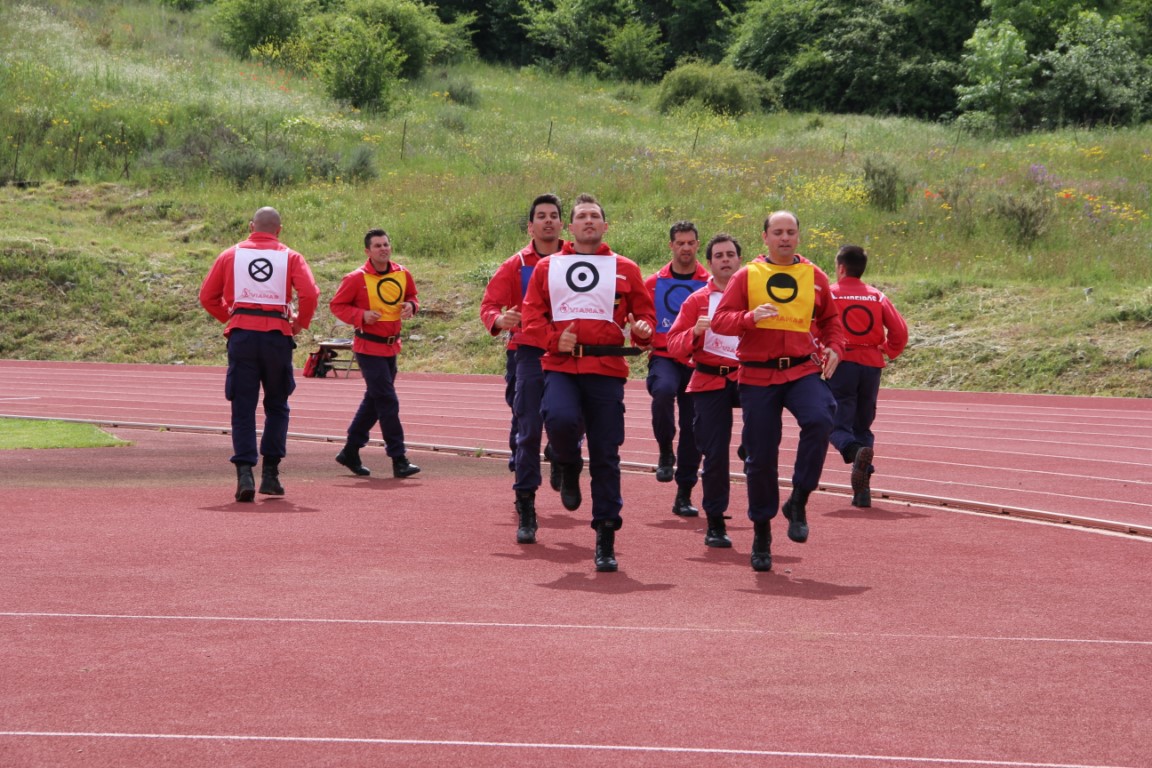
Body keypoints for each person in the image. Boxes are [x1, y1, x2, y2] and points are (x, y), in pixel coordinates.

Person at [520, 193, 656, 572]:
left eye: (595, 216)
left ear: (605, 225)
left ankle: (605, 537)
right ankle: (566, 461)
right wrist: (552, 339)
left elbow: (645, 318)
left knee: (607, 454)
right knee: (559, 419)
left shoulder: (625, 268)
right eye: (582, 216)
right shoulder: (549, 267)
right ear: (571, 226)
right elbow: (532, 316)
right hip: (562, 365)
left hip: (607, 371)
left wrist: (643, 331)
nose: (589, 221)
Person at [711, 211, 845, 572]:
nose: (784, 238)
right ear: (765, 237)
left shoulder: (814, 276)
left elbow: (832, 321)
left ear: (799, 236)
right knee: (760, 457)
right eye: (777, 232)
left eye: (791, 232)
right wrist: (749, 317)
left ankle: (798, 499)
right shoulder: (746, 276)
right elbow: (721, 319)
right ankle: (761, 532)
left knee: (820, 418)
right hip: (757, 374)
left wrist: (835, 347)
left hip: (801, 369)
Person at [198, 206, 320, 502]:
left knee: (243, 406)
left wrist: (230, 316)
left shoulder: (230, 254)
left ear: (250, 226)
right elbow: (310, 294)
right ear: (279, 230)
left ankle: (244, 474)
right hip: (277, 338)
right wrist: (299, 323)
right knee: (277, 405)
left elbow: (206, 297)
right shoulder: (291, 256)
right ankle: (271, 474)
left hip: (242, 337)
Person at [479, 193, 566, 544]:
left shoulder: (580, 261)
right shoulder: (514, 265)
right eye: (541, 216)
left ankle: (561, 454)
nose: (548, 221)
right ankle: (526, 504)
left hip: (570, 354)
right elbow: (489, 306)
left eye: (554, 215)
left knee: (570, 420)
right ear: (530, 226)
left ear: (564, 223)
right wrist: (500, 318)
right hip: (527, 352)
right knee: (528, 427)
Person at [665, 233, 744, 548]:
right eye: (719, 255)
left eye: (730, 254)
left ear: (740, 260)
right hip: (710, 380)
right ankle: (715, 521)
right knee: (715, 454)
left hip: (747, 379)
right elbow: (673, 343)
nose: (725, 259)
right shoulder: (697, 300)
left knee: (765, 420)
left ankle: (751, 443)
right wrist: (694, 334)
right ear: (709, 263)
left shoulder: (754, 298)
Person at [329, 228, 422, 479]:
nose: (383, 249)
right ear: (367, 251)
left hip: (391, 347)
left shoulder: (403, 273)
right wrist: (361, 316)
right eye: (377, 246)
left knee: (374, 401)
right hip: (368, 348)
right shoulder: (355, 278)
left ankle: (350, 450)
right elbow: (337, 305)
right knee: (387, 401)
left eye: (386, 244)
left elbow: (413, 296)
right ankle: (399, 458)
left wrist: (411, 306)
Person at [827, 244, 908, 508]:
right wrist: (887, 349)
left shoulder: (830, 294)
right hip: (871, 365)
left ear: (840, 268)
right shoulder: (877, 296)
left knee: (835, 423)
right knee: (863, 426)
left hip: (841, 363)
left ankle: (852, 451)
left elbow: (815, 327)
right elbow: (900, 331)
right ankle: (862, 490)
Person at [645, 221, 709, 517]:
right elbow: (640, 328)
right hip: (665, 355)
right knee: (663, 391)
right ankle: (664, 449)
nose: (686, 248)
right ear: (670, 245)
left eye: (691, 243)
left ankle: (684, 493)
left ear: (698, 245)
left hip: (698, 360)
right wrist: (640, 332)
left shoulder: (710, 282)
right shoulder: (653, 283)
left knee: (693, 427)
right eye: (680, 243)